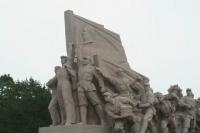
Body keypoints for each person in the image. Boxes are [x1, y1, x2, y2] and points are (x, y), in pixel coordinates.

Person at [77, 56, 106, 125]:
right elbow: (76, 61)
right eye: (83, 59)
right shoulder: (80, 68)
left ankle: (102, 120)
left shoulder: (92, 68)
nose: (83, 60)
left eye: (85, 59)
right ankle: (83, 121)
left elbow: (99, 78)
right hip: (80, 87)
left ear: (89, 61)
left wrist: (102, 87)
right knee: (82, 104)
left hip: (89, 86)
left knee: (96, 103)